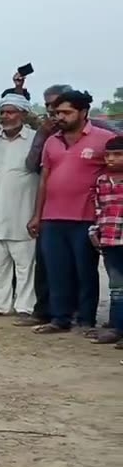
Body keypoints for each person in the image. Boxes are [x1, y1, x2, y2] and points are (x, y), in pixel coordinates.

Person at [30, 89, 112, 335]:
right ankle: (59, 318)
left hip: (86, 217)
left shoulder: (103, 139)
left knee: (85, 271)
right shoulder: (51, 141)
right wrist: (37, 215)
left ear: (83, 112)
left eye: (67, 112)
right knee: (56, 270)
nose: (60, 117)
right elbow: (44, 179)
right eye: (57, 113)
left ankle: (86, 319)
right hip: (52, 217)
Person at [0, 92, 38, 318]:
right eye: (2, 112)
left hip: (23, 211)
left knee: (25, 266)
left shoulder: (35, 139)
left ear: (23, 114)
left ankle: (25, 307)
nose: (5, 116)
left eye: (11, 112)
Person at [89, 136, 123, 347]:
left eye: (117, 155)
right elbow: (98, 210)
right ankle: (117, 328)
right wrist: (95, 233)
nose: (111, 159)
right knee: (116, 287)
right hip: (110, 241)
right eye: (108, 155)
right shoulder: (102, 181)